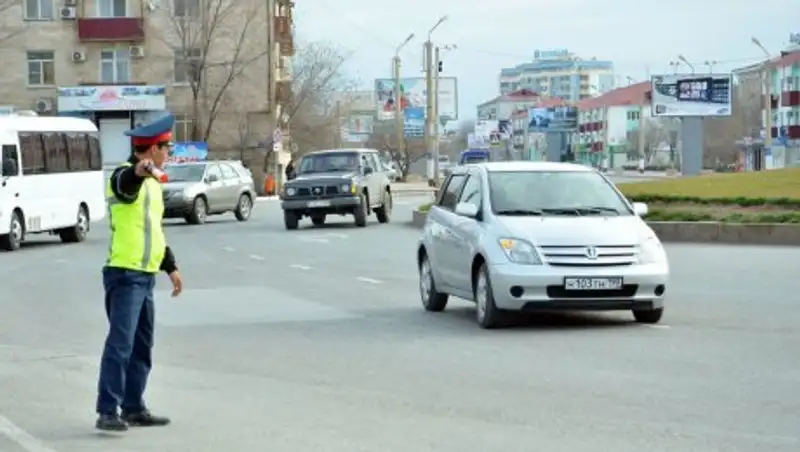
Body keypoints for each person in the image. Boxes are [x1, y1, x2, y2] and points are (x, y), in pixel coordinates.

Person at [95, 113, 184, 432]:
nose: (168, 152)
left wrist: (170, 266)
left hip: (145, 275)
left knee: (142, 346)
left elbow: (154, 230)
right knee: (120, 344)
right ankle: (107, 410)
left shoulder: (155, 186)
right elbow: (125, 184)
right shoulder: (123, 176)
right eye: (165, 147)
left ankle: (133, 406)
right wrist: (138, 170)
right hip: (124, 273)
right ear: (151, 149)